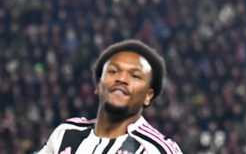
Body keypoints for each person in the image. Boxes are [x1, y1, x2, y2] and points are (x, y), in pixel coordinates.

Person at [36, 39, 182, 154]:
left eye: (135, 76)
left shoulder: (156, 150)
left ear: (148, 96)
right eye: (113, 71)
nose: (122, 79)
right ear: (98, 85)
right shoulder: (66, 133)